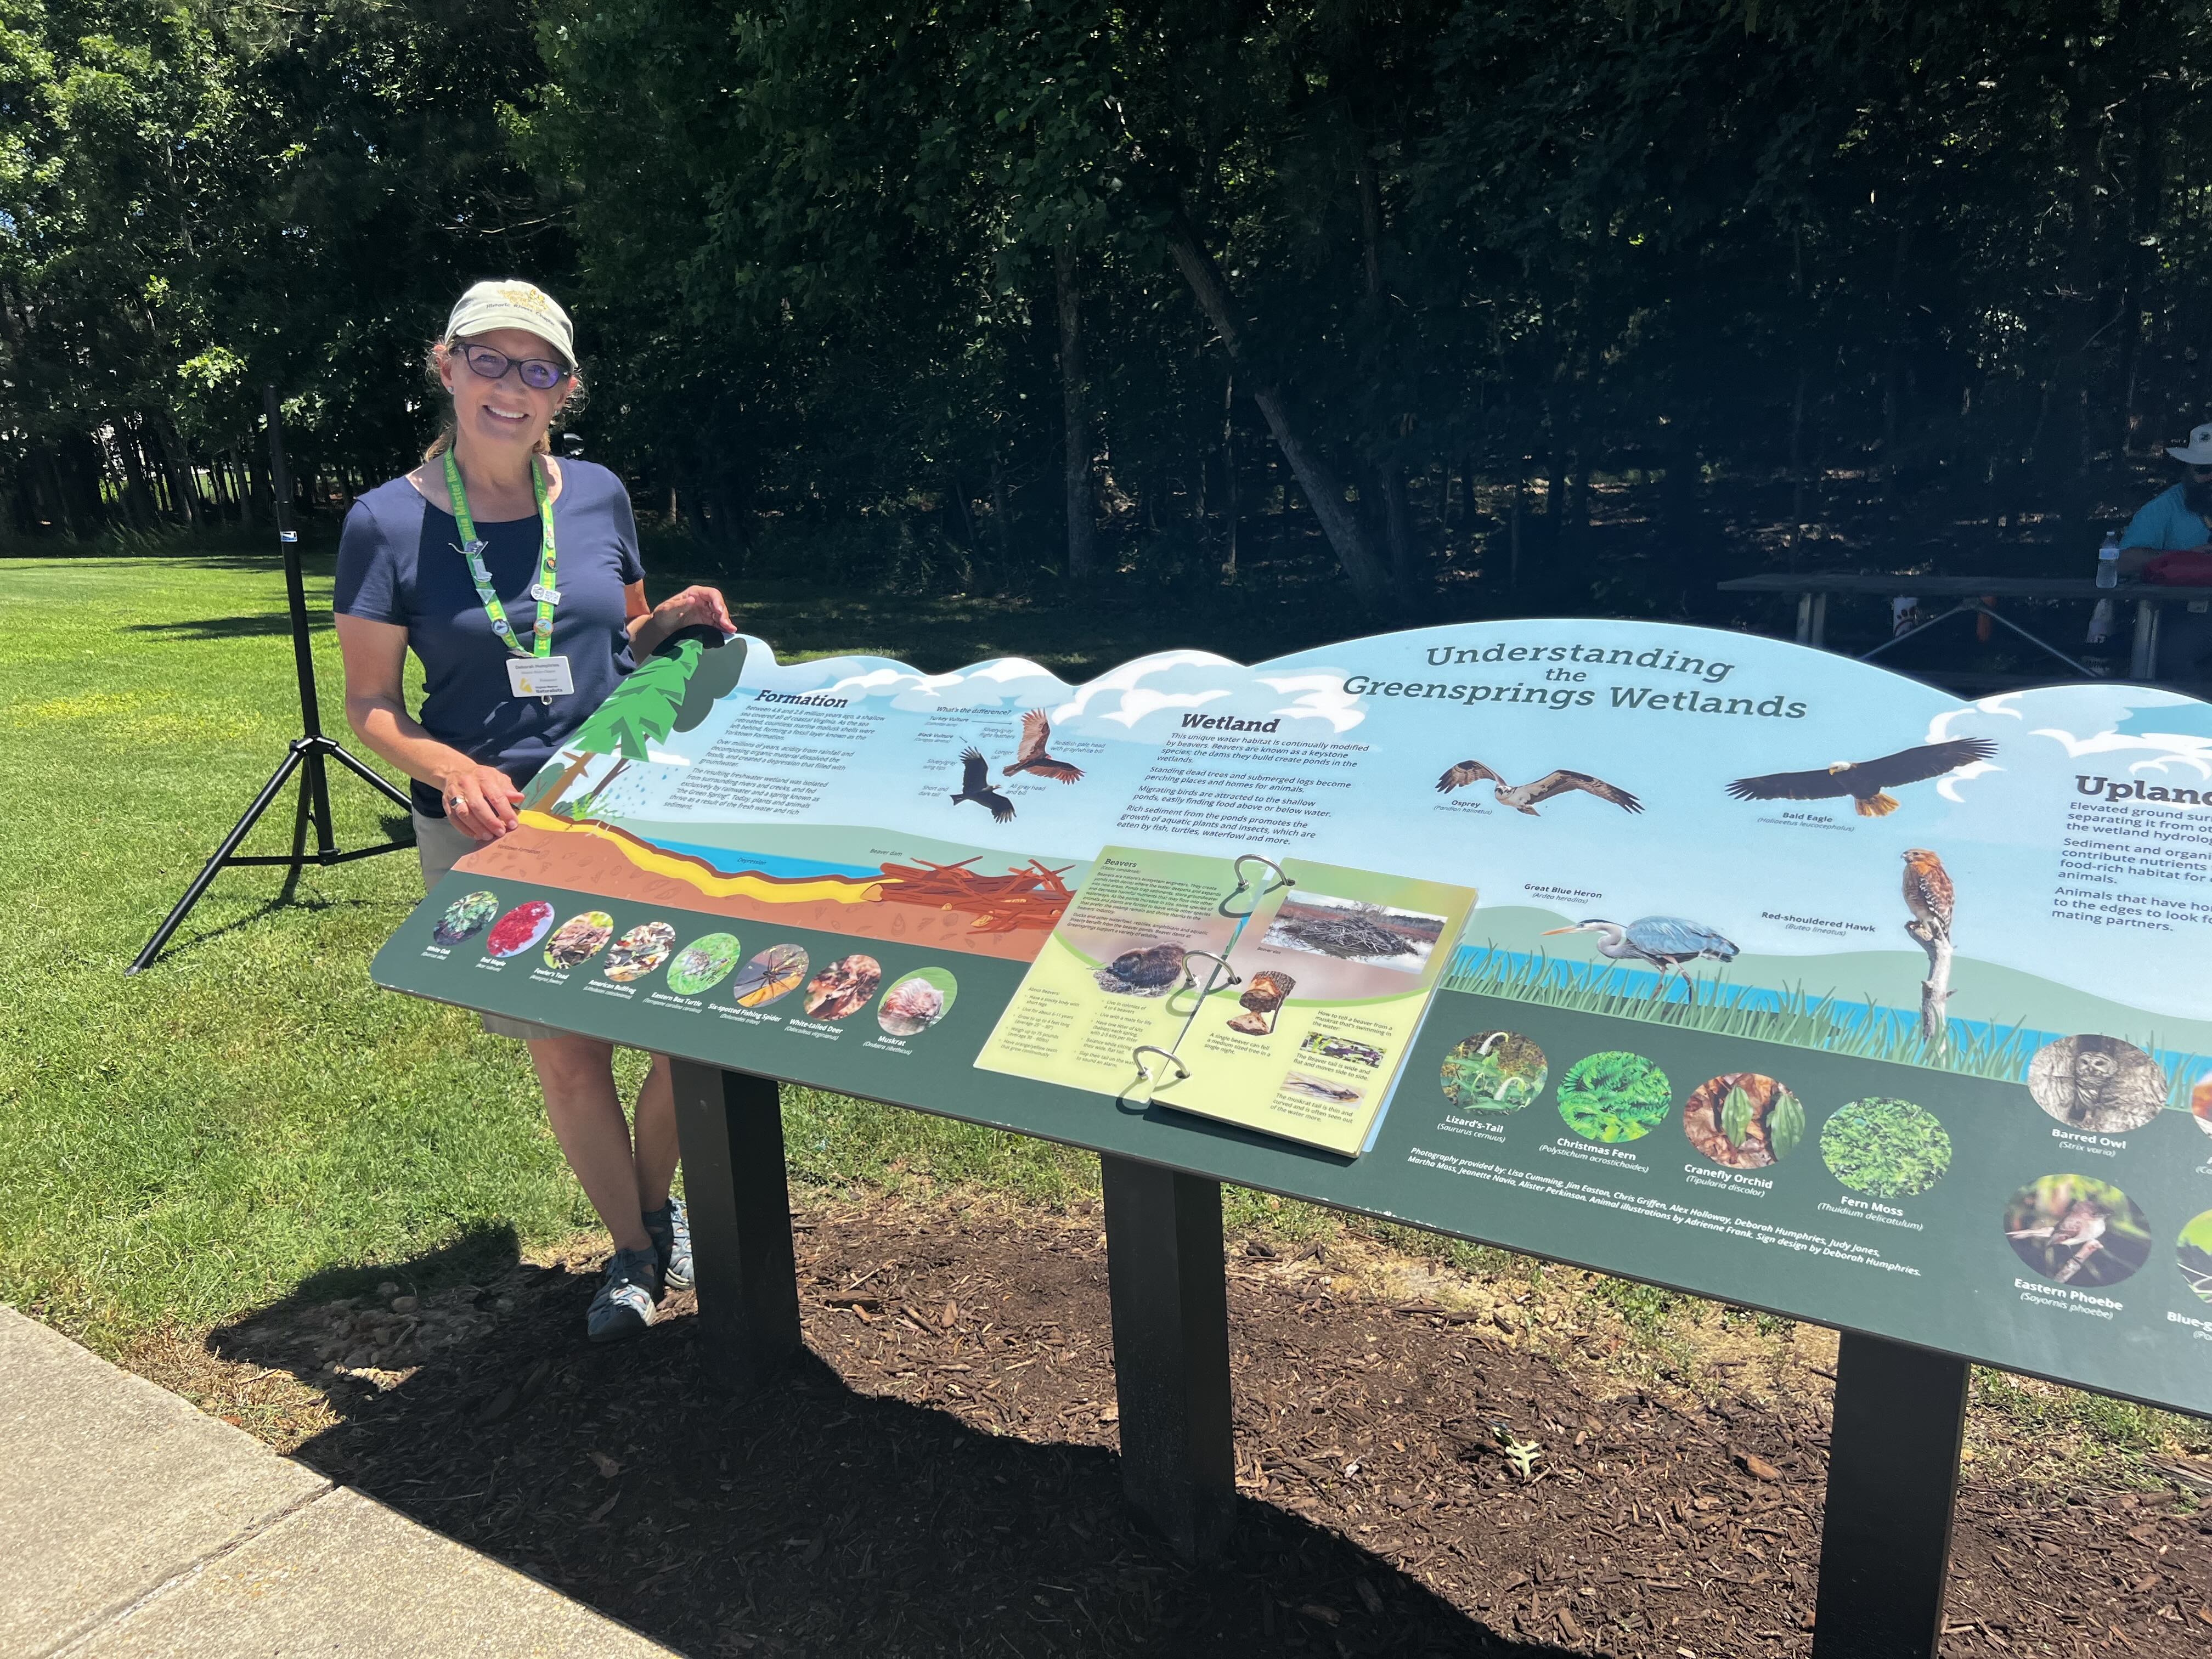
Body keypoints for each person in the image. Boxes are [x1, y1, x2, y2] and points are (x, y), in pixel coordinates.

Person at [334, 279, 733, 1342]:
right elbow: (369, 705)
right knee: (568, 1049)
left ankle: (656, 1203)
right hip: (493, 822)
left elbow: (630, 639)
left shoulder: (598, 494)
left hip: (622, 798)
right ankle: (637, 1254)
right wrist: (450, 766)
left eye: (539, 368)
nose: (513, 389)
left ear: (565, 389)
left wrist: (679, 616)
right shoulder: (384, 522)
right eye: (492, 362)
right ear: (447, 365)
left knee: (686, 1023)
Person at [2117, 421, 2212, 679]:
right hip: (2187, 612)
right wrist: (2184, 558)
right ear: (2189, 470)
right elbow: (2123, 562)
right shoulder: (2163, 509)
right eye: (2205, 469)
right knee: (2174, 653)